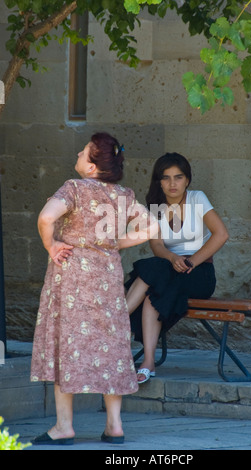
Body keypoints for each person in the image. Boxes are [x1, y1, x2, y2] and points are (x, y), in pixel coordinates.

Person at [30, 132, 158, 445]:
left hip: (71, 278)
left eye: (83, 151)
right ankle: (114, 426)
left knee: (67, 342)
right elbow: (153, 227)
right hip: (107, 279)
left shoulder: (73, 188)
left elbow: (46, 217)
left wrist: (51, 244)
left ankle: (64, 426)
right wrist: (114, 243)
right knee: (111, 345)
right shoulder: (124, 195)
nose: (77, 152)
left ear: (91, 167)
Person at [125, 153, 229, 384]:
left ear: (187, 180)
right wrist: (173, 258)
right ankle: (148, 363)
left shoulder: (197, 199)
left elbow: (221, 235)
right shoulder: (155, 207)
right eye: (166, 178)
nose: (172, 184)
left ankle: (117, 319)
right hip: (168, 270)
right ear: (159, 181)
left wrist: (191, 261)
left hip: (198, 274)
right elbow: (157, 245)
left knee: (153, 273)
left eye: (178, 177)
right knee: (157, 281)